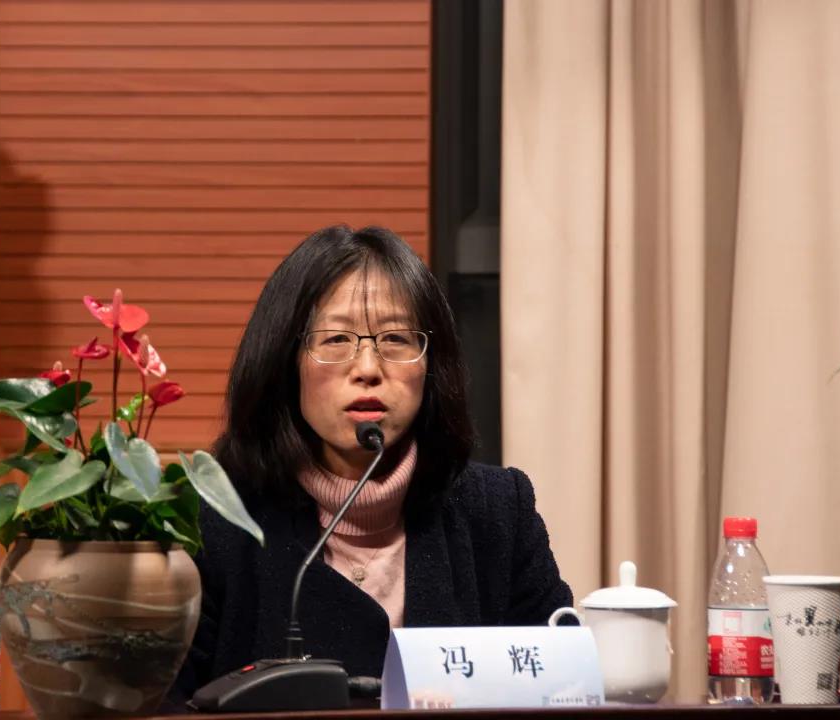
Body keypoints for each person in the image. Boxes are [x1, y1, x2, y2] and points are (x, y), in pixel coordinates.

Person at [172, 225, 572, 700]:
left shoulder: (498, 512)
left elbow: (563, 689)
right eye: (336, 339)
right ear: (285, 360)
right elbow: (164, 707)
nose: (367, 369)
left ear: (432, 364)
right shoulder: (214, 522)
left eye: (396, 338)